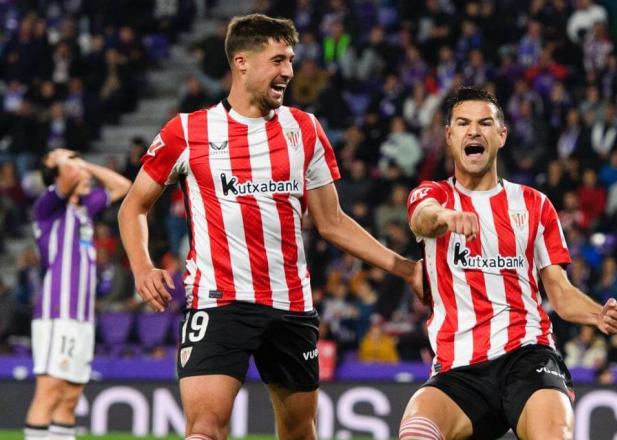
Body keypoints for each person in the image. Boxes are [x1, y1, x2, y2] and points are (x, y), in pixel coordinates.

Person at [117, 14, 421, 440]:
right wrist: (142, 267)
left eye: (291, 60)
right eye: (278, 60)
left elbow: (332, 222)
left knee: (299, 430)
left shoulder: (305, 129)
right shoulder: (188, 132)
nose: (289, 72)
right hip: (219, 302)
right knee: (204, 426)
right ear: (241, 62)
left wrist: (405, 268)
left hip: (291, 305)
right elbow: (133, 207)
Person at [400, 87, 617, 440]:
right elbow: (421, 219)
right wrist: (447, 217)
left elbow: (561, 292)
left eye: (485, 123)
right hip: (459, 367)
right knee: (416, 430)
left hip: (527, 355)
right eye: (463, 123)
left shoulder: (534, 204)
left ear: (501, 135)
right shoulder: (433, 195)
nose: (474, 131)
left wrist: (596, 314)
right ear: (449, 136)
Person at [24, 148, 130, 440]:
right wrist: (60, 160)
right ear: (54, 170)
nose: (82, 173)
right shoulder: (48, 207)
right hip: (57, 313)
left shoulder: (86, 209)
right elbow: (66, 177)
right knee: (48, 393)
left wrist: (83, 163)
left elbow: (123, 186)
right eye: (72, 164)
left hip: (83, 316)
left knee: (70, 397)